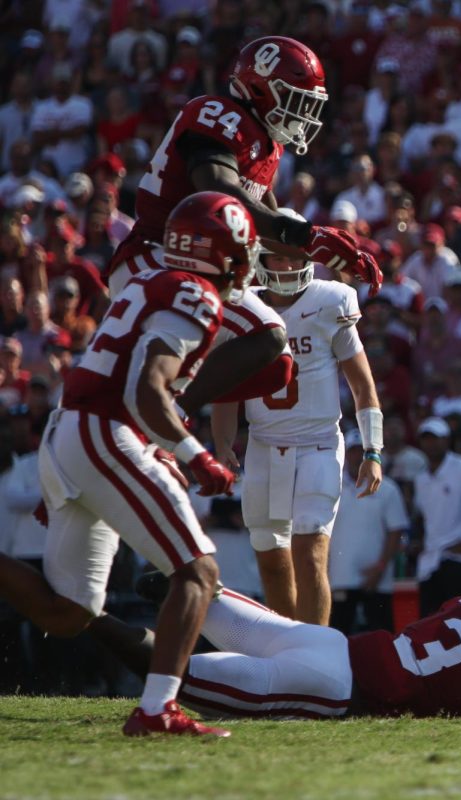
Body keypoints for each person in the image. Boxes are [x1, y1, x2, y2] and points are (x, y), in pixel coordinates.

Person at [0, 192, 252, 736]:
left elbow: (120, 377)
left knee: (69, 613)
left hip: (74, 430)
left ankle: (157, 706)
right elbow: (147, 390)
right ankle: (158, 709)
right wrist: (195, 452)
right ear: (227, 254)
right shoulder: (197, 296)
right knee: (197, 571)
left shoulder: (148, 281)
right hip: (102, 432)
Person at [106, 36, 381, 417]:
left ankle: (164, 406)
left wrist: (337, 253)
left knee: (276, 364)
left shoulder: (267, 144)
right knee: (265, 338)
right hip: (158, 257)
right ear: (260, 87)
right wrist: (309, 237)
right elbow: (221, 193)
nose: (302, 114)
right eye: (296, 99)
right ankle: (164, 417)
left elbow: (270, 227)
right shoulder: (218, 112)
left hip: (201, 271)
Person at [211, 208, 383, 626]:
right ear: (260, 259)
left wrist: (373, 449)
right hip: (264, 445)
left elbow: (362, 385)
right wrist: (222, 443)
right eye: (277, 257)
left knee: (309, 554)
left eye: (293, 256)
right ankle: (285, 653)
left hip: (319, 444)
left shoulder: (331, 301)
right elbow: (225, 384)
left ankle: (316, 654)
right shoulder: (242, 304)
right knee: (271, 561)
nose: (286, 265)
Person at [93, 588, 461, 721]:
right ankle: (89, 619)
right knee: (179, 675)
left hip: (332, 643)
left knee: (245, 619)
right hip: (335, 688)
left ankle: (185, 583)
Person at [328, 430, 409, 636]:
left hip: (377, 581)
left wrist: (380, 568)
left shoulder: (387, 488)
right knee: (338, 638)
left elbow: (396, 531)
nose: (357, 457)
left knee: (381, 637)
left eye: (362, 452)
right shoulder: (331, 487)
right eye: (353, 452)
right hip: (339, 578)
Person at [412, 416, 461, 615]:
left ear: (447, 440)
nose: (431, 443)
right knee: (429, 626)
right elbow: (423, 517)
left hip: (460, 561)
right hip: (430, 562)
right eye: (426, 438)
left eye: (436, 438)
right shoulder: (421, 478)